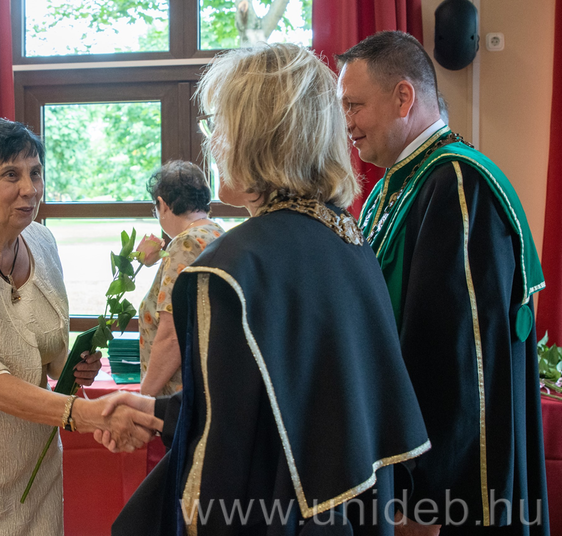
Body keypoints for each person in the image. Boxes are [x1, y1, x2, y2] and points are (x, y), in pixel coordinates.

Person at [98, 43, 431, 535]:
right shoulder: (346, 237)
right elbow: (286, 407)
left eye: (219, 124)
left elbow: (222, 460)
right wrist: (159, 413)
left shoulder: (230, 269)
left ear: (255, 135)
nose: (213, 141)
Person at [0, 118, 162, 535]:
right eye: (11, 175)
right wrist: (83, 414)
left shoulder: (42, 241)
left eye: (35, 172)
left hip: (35, 459)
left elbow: (50, 355)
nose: (30, 189)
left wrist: (75, 366)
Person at [336, 31, 549, 535]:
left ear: (403, 97)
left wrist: (431, 503)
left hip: (441, 493)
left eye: (354, 105)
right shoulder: (395, 184)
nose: (347, 123)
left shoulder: (457, 182)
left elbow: (459, 363)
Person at [136, 160, 225, 397]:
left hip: (179, 396)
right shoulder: (217, 233)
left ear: (163, 205)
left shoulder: (185, 244)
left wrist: (143, 396)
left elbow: (172, 335)